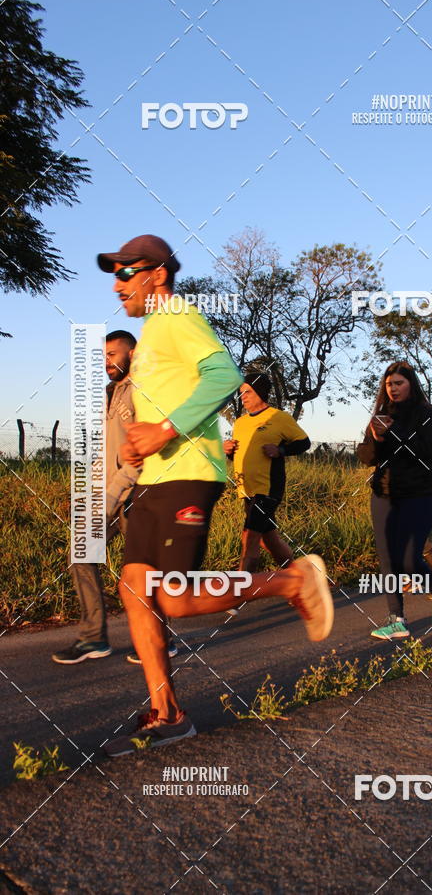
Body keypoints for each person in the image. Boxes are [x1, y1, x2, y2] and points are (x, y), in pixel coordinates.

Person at [94, 235, 333, 756]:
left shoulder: (176, 313)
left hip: (191, 472)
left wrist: (165, 431)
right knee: (136, 594)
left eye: (126, 272)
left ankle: (291, 579)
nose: (117, 284)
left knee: (173, 598)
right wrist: (141, 445)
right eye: (113, 274)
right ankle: (168, 715)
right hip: (156, 478)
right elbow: (165, 406)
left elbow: (224, 375)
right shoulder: (154, 333)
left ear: (156, 274)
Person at [52, 331, 174, 663]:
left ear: (132, 354)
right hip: (109, 492)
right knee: (82, 552)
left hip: (139, 492)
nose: (106, 362)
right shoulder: (111, 393)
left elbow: (143, 452)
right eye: (102, 356)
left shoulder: (144, 392)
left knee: (141, 568)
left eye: (112, 354)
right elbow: (107, 452)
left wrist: (111, 493)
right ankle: (93, 638)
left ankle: (159, 636)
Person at [357, 361, 432, 639]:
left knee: (409, 560)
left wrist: (393, 431)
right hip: (384, 494)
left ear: (411, 384)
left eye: (399, 383)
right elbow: (367, 458)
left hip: (420, 495)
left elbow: (424, 452)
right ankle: (397, 620)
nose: (393, 388)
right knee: (387, 559)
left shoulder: (428, 415)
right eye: (389, 384)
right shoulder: (381, 416)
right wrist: (374, 437)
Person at [224, 372, 310, 615]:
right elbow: (239, 453)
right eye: (241, 393)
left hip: (268, 488)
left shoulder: (278, 417)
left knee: (249, 537)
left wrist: (280, 449)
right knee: (268, 539)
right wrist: (228, 449)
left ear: (261, 392)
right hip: (246, 489)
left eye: (248, 392)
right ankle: (299, 583)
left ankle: (238, 596)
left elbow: (304, 443)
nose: (243, 397)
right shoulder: (240, 422)